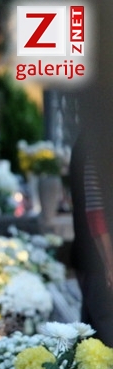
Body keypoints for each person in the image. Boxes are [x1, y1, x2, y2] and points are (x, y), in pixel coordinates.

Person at [69, 132, 113, 347]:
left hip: (94, 260)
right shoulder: (97, 143)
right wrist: (109, 263)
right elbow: (96, 211)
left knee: (93, 342)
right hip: (100, 261)